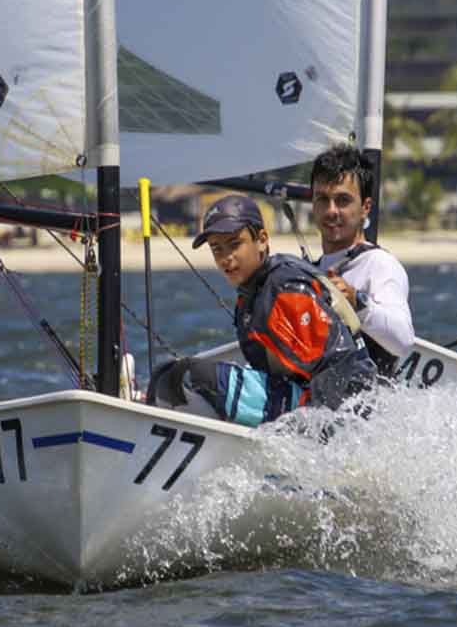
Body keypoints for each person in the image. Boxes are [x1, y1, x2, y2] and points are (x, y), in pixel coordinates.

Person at [148, 195, 375, 426]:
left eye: (235, 244)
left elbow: (338, 373)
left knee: (189, 376)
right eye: (217, 248)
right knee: (166, 374)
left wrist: (309, 436)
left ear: (262, 240)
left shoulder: (285, 290)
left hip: (338, 412)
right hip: (310, 402)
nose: (226, 257)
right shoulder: (254, 290)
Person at [309, 143, 416, 375]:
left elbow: (404, 341)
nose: (331, 211)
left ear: (366, 207)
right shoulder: (307, 271)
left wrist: (356, 303)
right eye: (322, 199)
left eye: (343, 200)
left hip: (371, 403)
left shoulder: (379, 265)